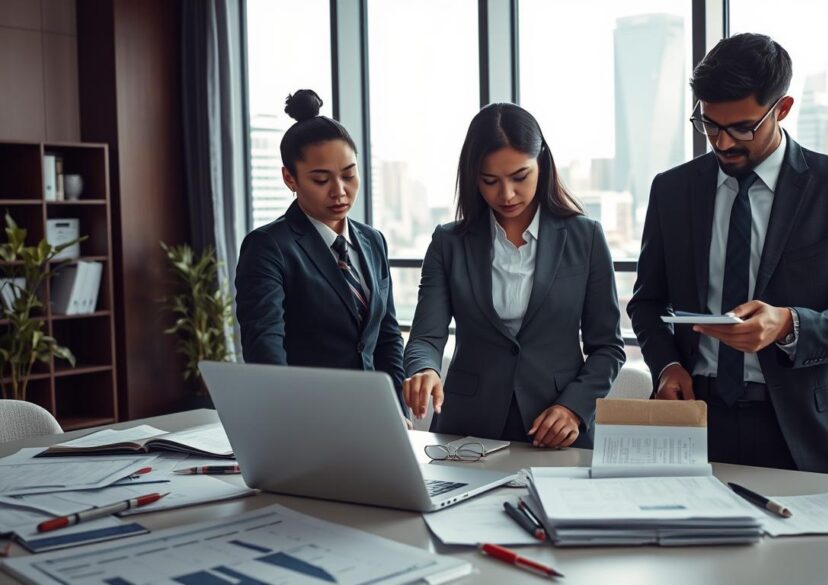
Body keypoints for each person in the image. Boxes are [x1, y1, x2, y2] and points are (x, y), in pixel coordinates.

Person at [627, 33, 828, 475]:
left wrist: (789, 324)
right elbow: (646, 301)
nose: (722, 142)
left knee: (808, 548)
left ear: (783, 109)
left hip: (798, 431)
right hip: (695, 421)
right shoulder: (672, 190)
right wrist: (669, 365)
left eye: (742, 128)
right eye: (709, 124)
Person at [403, 103, 625, 449]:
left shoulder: (586, 238)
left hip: (556, 425)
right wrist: (424, 369)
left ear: (543, 164)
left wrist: (574, 408)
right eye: (490, 181)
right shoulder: (449, 243)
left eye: (520, 177)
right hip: (467, 426)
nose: (505, 195)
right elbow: (425, 337)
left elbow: (608, 347)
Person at [235, 89, 405, 403]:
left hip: (378, 419)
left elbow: (387, 337)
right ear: (290, 178)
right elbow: (265, 349)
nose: (340, 191)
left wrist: (397, 412)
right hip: (310, 420)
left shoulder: (373, 241)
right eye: (321, 179)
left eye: (349, 175)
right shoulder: (268, 247)